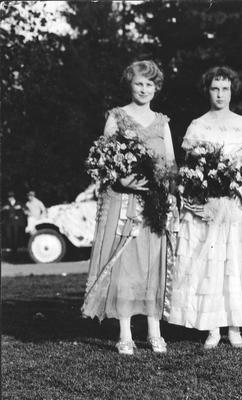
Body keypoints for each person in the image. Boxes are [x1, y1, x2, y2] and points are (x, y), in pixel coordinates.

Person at [164, 66, 242, 349]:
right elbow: (189, 169)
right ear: (207, 91)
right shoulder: (198, 125)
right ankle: (212, 327)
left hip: (240, 199)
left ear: (232, 91)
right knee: (209, 261)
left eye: (225, 89)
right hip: (207, 200)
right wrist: (197, 198)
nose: (220, 94)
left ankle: (234, 328)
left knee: (235, 261)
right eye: (215, 88)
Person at [81, 60, 176, 355]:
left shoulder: (162, 122)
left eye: (150, 84)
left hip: (154, 203)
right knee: (125, 265)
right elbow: (102, 159)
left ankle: (154, 330)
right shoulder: (117, 116)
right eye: (139, 83)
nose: (144, 89)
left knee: (151, 264)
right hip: (124, 201)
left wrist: (168, 189)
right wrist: (124, 179)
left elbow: (171, 164)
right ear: (130, 85)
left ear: (156, 88)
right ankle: (125, 333)